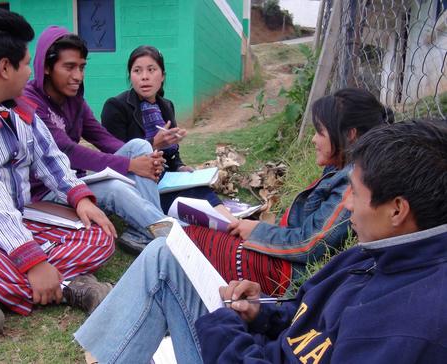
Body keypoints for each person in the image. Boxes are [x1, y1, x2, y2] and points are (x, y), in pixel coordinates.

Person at [75, 118, 447, 363]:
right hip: (257, 344)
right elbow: (304, 312)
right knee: (164, 254)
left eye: (355, 192)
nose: (347, 203)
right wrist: (261, 313)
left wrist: (224, 326)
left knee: (167, 257)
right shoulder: (375, 256)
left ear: (397, 210)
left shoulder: (405, 326)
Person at [0, 8, 116, 337]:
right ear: (4, 67)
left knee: (100, 237)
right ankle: (71, 288)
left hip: (16, 217)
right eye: (26, 63)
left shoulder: (17, 103)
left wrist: (78, 197)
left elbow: (50, 157)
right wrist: (33, 261)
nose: (30, 72)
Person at [183, 87, 393, 295]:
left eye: (320, 132)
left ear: (350, 134)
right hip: (282, 256)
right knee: (185, 238)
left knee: (187, 241)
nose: (313, 140)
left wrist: (257, 231)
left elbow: (310, 245)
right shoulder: (341, 167)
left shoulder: (352, 182)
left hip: (286, 273)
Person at [24, 27, 167, 253]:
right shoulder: (30, 100)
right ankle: (173, 232)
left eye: (82, 67)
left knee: (141, 146)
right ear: (47, 67)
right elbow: (67, 151)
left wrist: (142, 161)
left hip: (76, 182)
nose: (78, 76)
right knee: (114, 188)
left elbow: (102, 137)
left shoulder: (74, 100)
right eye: (69, 67)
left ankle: (144, 231)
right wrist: (129, 165)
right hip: (48, 190)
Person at [101, 45, 234, 219]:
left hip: (166, 178)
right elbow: (115, 157)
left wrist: (179, 166)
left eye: (151, 70)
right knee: (189, 203)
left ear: (162, 76)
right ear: (130, 76)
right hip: (138, 180)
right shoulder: (116, 107)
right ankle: (228, 225)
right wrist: (154, 144)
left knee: (199, 189)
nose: (145, 77)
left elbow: (172, 152)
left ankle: (233, 224)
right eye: (137, 71)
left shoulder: (166, 106)